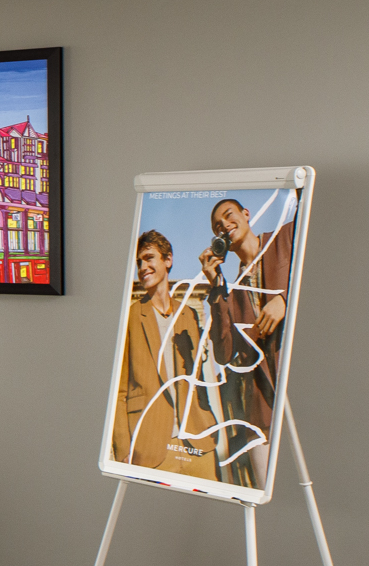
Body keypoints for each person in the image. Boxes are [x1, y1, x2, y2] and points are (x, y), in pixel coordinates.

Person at [200, 195, 293, 488]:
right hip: (263, 410)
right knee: (267, 496)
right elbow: (224, 353)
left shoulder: (286, 238)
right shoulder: (231, 291)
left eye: (229, 216)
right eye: (217, 226)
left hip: (303, 391)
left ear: (246, 214)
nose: (225, 226)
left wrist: (285, 299)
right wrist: (215, 285)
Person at [112, 229, 219, 480]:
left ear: (167, 260)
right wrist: (123, 449)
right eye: (139, 262)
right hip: (151, 449)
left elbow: (199, 378)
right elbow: (120, 391)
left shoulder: (188, 315)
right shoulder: (130, 317)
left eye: (149, 258)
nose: (143, 267)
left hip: (198, 444)